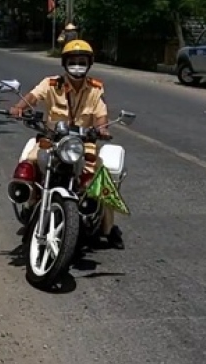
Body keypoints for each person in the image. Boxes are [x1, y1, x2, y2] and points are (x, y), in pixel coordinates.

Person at [7, 39, 124, 249]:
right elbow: (32, 97)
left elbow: (101, 115)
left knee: (102, 178)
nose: (77, 66)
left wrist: (102, 129)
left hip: (82, 145)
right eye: (73, 61)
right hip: (51, 140)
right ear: (65, 63)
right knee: (30, 160)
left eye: (82, 62)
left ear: (89, 64)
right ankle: (30, 203)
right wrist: (18, 108)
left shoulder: (95, 89)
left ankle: (109, 228)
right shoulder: (51, 84)